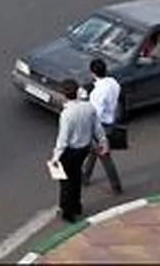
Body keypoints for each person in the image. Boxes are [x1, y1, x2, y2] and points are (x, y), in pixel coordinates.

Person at [51, 78, 107, 223]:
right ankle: (76, 205)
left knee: (65, 181)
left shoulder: (67, 114)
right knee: (75, 176)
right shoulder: (88, 107)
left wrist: (56, 157)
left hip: (70, 151)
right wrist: (102, 141)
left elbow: (63, 139)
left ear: (64, 95)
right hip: (84, 148)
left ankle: (67, 210)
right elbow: (97, 128)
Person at [81, 59, 124, 194]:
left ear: (92, 73)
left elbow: (96, 114)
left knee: (105, 157)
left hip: (100, 127)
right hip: (110, 121)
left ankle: (116, 186)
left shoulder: (97, 93)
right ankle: (85, 176)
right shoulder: (113, 83)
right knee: (94, 152)